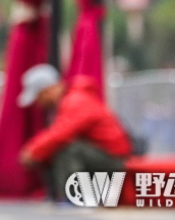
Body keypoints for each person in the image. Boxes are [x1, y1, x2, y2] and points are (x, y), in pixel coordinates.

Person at [17, 64, 132, 200]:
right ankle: (63, 194)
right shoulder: (71, 100)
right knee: (53, 150)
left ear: (47, 90)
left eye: (38, 97)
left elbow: (60, 134)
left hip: (114, 160)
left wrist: (32, 151)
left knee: (67, 148)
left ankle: (79, 196)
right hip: (103, 157)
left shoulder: (75, 101)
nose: (38, 103)